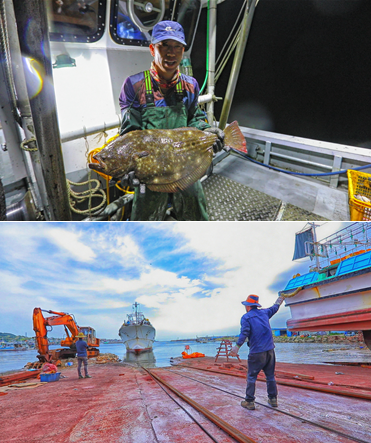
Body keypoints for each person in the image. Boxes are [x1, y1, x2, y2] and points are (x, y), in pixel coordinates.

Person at [119, 20, 224, 221]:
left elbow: (195, 118)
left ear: (183, 51)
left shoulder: (190, 85)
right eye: (164, 45)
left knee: (197, 214)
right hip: (149, 169)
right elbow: (129, 134)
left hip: (185, 165)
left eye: (177, 47)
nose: (171, 53)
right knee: (144, 219)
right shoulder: (134, 85)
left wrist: (207, 131)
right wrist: (129, 167)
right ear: (152, 49)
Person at [229, 294, 285, 410]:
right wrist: (280, 299)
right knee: (270, 376)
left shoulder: (246, 317)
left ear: (248, 306)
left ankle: (249, 401)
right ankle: (273, 399)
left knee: (251, 377)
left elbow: (244, 333)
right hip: (270, 351)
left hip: (257, 352)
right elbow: (274, 308)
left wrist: (237, 347)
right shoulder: (265, 313)